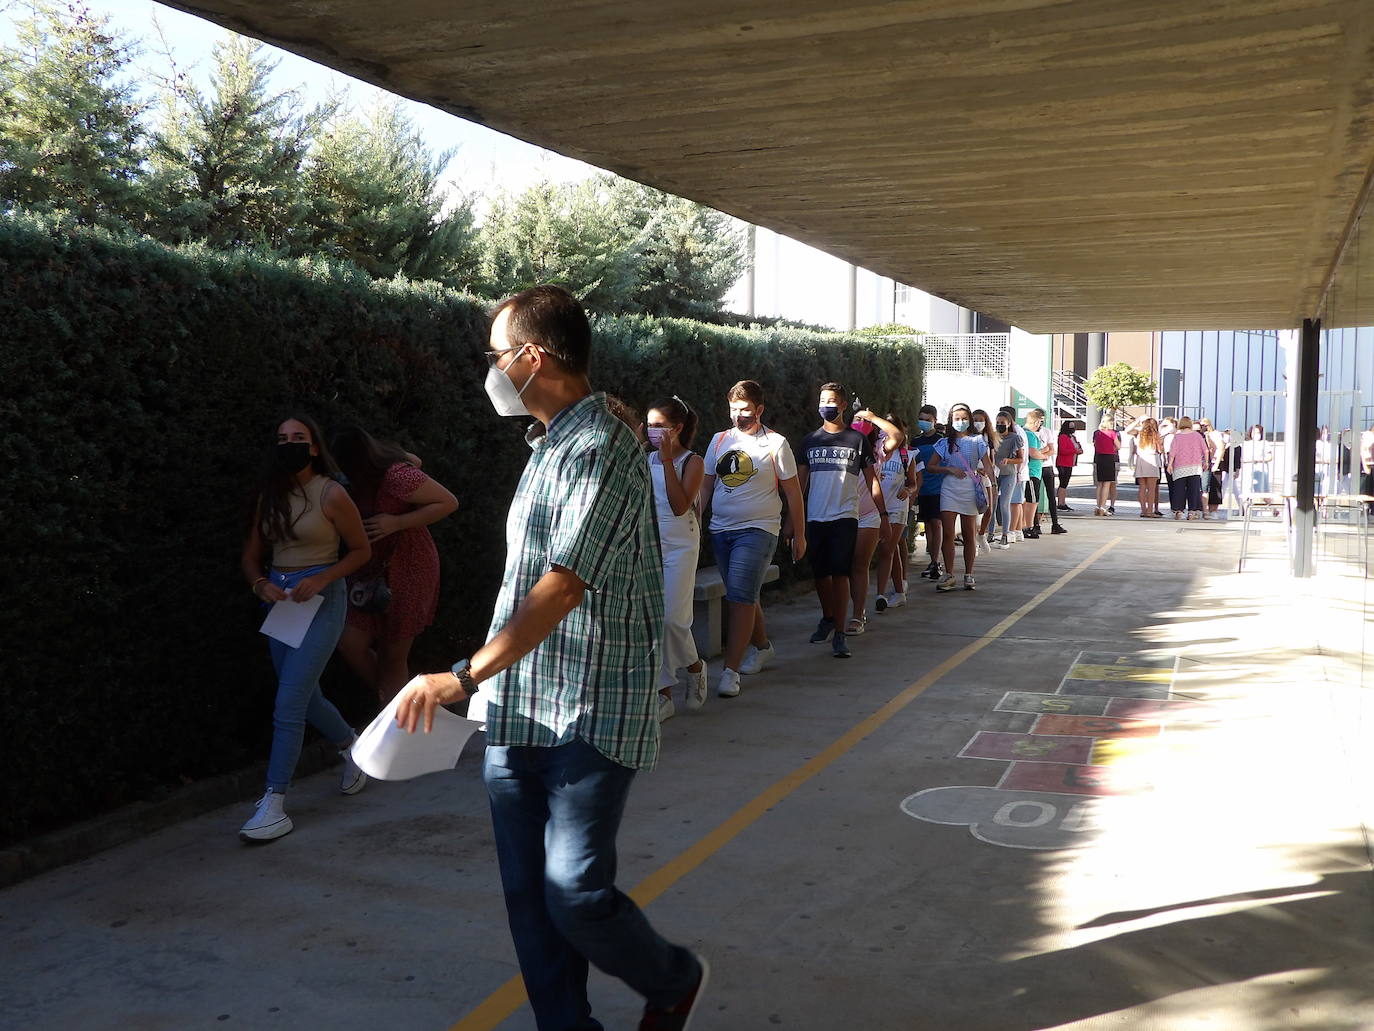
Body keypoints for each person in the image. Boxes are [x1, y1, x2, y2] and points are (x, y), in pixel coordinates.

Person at [393, 285, 708, 1031]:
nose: (492, 370)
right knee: (529, 903)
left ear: (533, 358)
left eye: (497, 355)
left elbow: (564, 584)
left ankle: (672, 977)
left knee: (575, 893)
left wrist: (463, 674)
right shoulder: (549, 447)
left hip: (590, 710)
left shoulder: (602, 448)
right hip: (519, 707)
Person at [238, 414, 373, 843]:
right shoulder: (271, 496)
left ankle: (275, 802)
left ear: (315, 446)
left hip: (321, 601)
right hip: (282, 603)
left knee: (290, 701)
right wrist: (261, 584)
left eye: (299, 437)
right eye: (282, 438)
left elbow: (361, 551)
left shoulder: (331, 493)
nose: (290, 444)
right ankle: (354, 749)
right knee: (305, 695)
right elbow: (251, 556)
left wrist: (324, 577)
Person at [330, 426, 459, 706]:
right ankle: (401, 706)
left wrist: (396, 522)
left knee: (393, 653)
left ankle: (396, 719)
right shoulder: (358, 477)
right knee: (350, 643)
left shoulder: (394, 475)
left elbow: (448, 501)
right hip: (370, 569)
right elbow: (415, 459)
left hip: (409, 566)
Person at [703, 380, 806, 697]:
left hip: (759, 529)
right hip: (721, 529)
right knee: (742, 593)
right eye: (734, 408)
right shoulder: (719, 440)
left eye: (745, 409)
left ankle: (730, 672)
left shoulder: (776, 444)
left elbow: (793, 492)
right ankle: (761, 646)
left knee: (739, 598)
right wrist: (692, 519)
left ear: (759, 409)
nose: (738, 415)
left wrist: (799, 533)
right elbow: (706, 486)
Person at [797, 384, 882, 657]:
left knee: (840, 573)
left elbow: (872, 481)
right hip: (815, 517)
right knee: (820, 574)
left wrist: (883, 515)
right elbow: (799, 485)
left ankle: (841, 633)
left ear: (844, 405)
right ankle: (828, 618)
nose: (826, 406)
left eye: (832, 401)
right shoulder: (810, 441)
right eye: (823, 401)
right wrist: (792, 520)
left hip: (845, 516)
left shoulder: (856, 440)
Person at [645, 396, 707, 722]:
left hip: (681, 546)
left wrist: (667, 460)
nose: (653, 433)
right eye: (649, 425)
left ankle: (695, 668)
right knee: (655, 621)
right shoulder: (644, 460)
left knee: (672, 620)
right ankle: (663, 695)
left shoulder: (692, 462)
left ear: (678, 428)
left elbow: (680, 505)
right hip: (650, 547)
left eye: (660, 426)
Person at [926, 403, 995, 591]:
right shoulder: (943, 442)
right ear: (951, 420)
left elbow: (987, 464)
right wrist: (948, 468)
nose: (961, 422)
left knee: (968, 533)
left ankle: (969, 574)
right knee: (948, 533)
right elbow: (931, 466)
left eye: (964, 418)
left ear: (970, 420)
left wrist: (993, 484)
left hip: (970, 487)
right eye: (957, 418)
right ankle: (949, 574)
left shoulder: (978, 441)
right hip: (949, 487)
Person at [873, 413, 919, 611]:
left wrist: (907, 490)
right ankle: (900, 591)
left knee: (887, 550)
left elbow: (913, 483)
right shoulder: (875, 452)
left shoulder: (906, 455)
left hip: (896, 507)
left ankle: (880, 595)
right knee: (890, 550)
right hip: (874, 506)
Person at [908, 404, 946, 581]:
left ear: (935, 421)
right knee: (928, 525)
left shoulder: (942, 440)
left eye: (927, 420)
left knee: (937, 523)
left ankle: (936, 561)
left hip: (940, 488)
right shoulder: (915, 441)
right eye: (921, 419)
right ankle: (932, 561)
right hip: (922, 488)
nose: (923, 422)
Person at [1030, 409, 1066, 534]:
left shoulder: (1047, 432)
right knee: (1035, 496)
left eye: (1043, 420)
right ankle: (1035, 525)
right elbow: (1032, 452)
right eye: (1039, 419)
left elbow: (1051, 449)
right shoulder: (1030, 432)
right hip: (1035, 467)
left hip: (1047, 466)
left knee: (1051, 495)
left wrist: (1041, 452)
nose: (1041, 422)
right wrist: (1042, 451)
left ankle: (1055, 524)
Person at [1166, 415, 1209, 519]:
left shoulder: (1177, 436)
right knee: (1193, 490)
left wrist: (1170, 464)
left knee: (1179, 490)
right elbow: (1206, 450)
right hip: (1194, 467)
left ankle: (1179, 511)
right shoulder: (1197, 436)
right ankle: (1191, 512)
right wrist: (1206, 462)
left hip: (1180, 467)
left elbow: (1173, 452)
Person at [991, 410, 1022, 549]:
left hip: (1008, 473)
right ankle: (990, 534)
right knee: (992, 505)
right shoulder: (992, 437)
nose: (999, 425)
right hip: (993, 473)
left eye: (1002, 423)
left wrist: (1009, 460)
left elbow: (1020, 458)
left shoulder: (1014, 438)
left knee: (1004, 504)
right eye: (997, 423)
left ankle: (1005, 534)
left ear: (1009, 424)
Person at [970, 409, 998, 551]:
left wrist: (989, 470)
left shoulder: (988, 438)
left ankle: (981, 534)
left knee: (989, 508)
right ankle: (973, 541)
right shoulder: (968, 437)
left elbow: (991, 459)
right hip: (972, 476)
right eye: (975, 419)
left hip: (986, 476)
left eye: (981, 420)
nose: (978, 423)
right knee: (974, 511)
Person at [1126, 417, 1164, 518]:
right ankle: (1150, 511)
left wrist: (1137, 421)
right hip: (1152, 460)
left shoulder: (1139, 433)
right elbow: (1160, 450)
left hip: (1141, 460)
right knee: (1152, 489)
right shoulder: (1156, 435)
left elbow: (1127, 430)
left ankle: (1143, 510)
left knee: (1142, 487)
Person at [1021, 408, 1048, 538]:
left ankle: (1026, 525)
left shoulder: (1026, 433)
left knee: (1030, 500)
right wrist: (1043, 455)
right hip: (1032, 472)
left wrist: (1042, 452)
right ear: (1036, 422)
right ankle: (1028, 526)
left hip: (1034, 471)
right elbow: (1033, 452)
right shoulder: (1030, 435)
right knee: (1032, 500)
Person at [1092, 417, 1120, 516]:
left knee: (1100, 483)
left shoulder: (1097, 433)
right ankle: (1103, 507)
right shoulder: (1112, 433)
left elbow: (1095, 444)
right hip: (1109, 457)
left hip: (1099, 457)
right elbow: (1118, 446)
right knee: (1107, 483)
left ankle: (1098, 505)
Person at [1199, 418, 1225, 515]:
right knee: (1204, 486)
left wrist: (1217, 463)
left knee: (1215, 485)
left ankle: (1213, 509)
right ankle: (1203, 508)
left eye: (1204, 425)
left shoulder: (1215, 434)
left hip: (1214, 461)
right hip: (1205, 462)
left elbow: (1221, 448)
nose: (1203, 427)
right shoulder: (1200, 435)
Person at [1055, 420, 1082, 510]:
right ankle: (1060, 503)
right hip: (1063, 463)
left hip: (1070, 462)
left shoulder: (1072, 437)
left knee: (1065, 483)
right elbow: (1062, 450)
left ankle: (1063, 502)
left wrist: (1078, 450)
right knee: (1063, 483)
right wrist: (1075, 451)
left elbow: (1078, 446)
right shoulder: (1062, 437)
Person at [1241, 423, 1273, 495]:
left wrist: (1257, 459)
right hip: (1248, 468)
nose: (1255, 434)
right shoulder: (1245, 444)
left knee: (1262, 490)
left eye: (1258, 433)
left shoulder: (1265, 443)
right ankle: (1246, 504)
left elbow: (1269, 457)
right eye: (1254, 432)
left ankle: (1268, 503)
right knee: (1246, 489)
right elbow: (1242, 458)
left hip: (1261, 468)